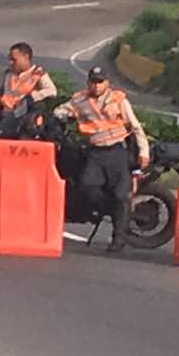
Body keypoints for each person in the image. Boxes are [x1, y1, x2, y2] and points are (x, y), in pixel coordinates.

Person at [53, 66, 150, 253]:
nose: (96, 86)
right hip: (95, 153)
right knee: (87, 187)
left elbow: (136, 127)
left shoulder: (118, 100)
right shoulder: (79, 100)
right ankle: (108, 210)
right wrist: (63, 116)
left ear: (107, 83)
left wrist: (143, 152)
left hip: (117, 152)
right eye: (92, 81)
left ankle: (118, 239)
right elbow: (60, 110)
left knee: (121, 196)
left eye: (100, 82)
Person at [0, 42, 57, 139]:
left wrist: (32, 97)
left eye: (14, 60)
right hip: (6, 120)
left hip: (25, 123)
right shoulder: (8, 74)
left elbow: (52, 91)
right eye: (10, 60)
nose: (11, 63)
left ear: (26, 57)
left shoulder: (37, 73)